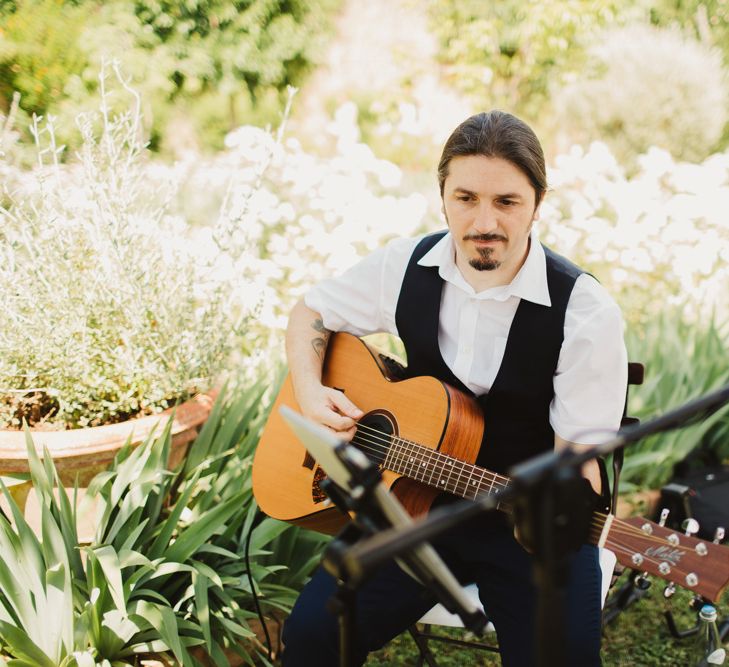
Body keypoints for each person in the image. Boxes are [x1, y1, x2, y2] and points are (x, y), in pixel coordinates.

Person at [280, 110, 627, 666]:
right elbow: (311, 312)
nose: (483, 221)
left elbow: (578, 458)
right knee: (311, 640)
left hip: (527, 526)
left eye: (506, 202)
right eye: (465, 198)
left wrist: (556, 505)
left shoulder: (585, 312)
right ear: (442, 195)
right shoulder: (406, 264)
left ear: (538, 203)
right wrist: (311, 392)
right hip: (412, 505)